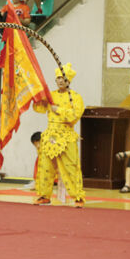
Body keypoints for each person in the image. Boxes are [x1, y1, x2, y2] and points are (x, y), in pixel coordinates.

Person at [33, 63, 86, 207]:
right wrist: (37, 97)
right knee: (45, 167)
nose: (60, 80)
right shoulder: (51, 95)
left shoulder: (75, 97)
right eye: (58, 78)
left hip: (66, 135)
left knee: (70, 167)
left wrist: (59, 109)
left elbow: (75, 115)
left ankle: (78, 197)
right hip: (50, 135)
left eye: (63, 78)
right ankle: (44, 195)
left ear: (69, 80)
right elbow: (39, 108)